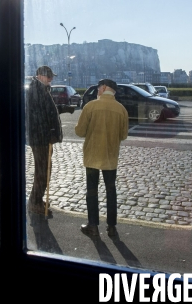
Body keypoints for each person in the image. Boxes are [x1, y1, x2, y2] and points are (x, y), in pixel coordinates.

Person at [75, 79, 128, 237]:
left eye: (98, 88)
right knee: (111, 191)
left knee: (92, 191)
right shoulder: (121, 109)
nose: (97, 90)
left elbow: (80, 132)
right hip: (110, 157)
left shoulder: (91, 106)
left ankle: (93, 226)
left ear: (104, 88)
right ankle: (111, 227)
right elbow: (123, 135)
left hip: (92, 155)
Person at [26, 65, 75, 215]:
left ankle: (36, 199)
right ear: (40, 75)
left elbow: (49, 110)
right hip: (41, 138)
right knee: (43, 171)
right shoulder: (37, 90)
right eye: (48, 76)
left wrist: (63, 108)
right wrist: (51, 132)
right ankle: (35, 203)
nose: (51, 79)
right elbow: (39, 116)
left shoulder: (41, 89)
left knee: (44, 170)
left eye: (51, 76)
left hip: (42, 137)